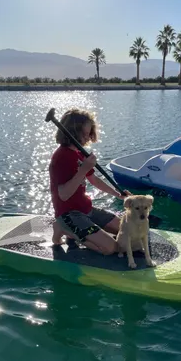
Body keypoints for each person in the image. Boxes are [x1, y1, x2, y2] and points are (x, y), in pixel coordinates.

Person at [48, 108, 130, 255]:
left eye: (89, 133)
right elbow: (64, 195)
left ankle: (80, 231)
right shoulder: (61, 157)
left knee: (126, 231)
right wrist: (83, 170)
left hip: (86, 208)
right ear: (72, 133)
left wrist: (118, 194)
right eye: (84, 134)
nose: (88, 138)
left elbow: (94, 180)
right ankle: (64, 229)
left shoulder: (79, 153)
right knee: (110, 248)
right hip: (69, 214)